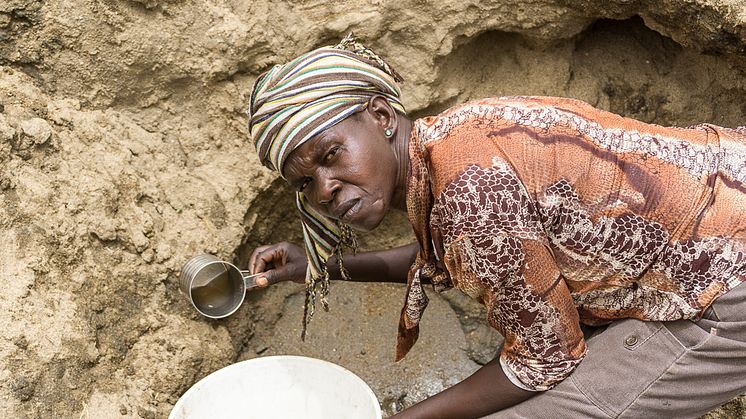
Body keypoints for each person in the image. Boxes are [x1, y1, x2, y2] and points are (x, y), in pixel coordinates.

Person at [246, 35, 746, 418]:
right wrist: (320, 266)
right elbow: (447, 253)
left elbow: (545, 362)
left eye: (332, 155)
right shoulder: (454, 139)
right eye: (305, 182)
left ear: (381, 116)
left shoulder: (470, 193)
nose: (325, 189)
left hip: (723, 286)